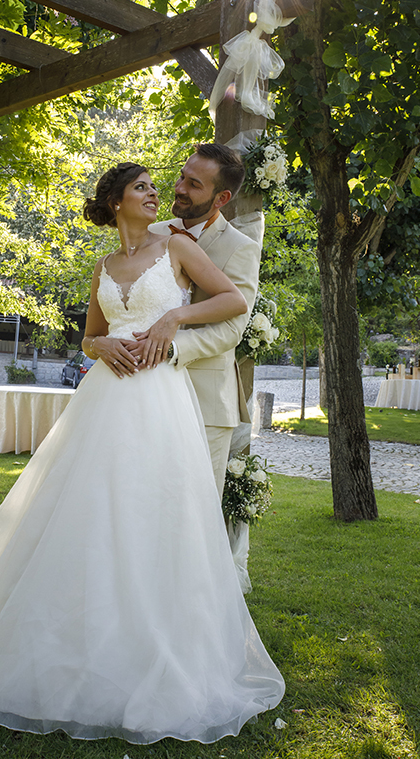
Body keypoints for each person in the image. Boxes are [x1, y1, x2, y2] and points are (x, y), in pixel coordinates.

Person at [0, 163, 283, 744]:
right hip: (105, 397)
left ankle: (160, 643)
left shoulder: (178, 246)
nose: (157, 192)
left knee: (156, 517)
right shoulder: (103, 268)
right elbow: (87, 337)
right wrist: (101, 342)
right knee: (86, 515)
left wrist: (173, 316)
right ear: (115, 202)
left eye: (158, 186)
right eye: (143, 187)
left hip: (161, 399)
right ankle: (77, 637)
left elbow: (234, 301)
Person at [144, 144, 260, 592]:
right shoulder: (152, 230)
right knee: (145, 496)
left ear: (221, 198)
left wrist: (173, 346)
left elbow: (233, 327)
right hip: (148, 394)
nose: (179, 187)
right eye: (182, 176)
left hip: (206, 402)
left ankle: (196, 608)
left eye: (195, 183)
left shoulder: (240, 249)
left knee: (195, 511)